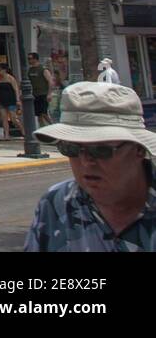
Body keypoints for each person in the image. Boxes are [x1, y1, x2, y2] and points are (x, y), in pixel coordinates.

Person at [24, 82, 156, 251]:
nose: (86, 162)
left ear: (138, 149)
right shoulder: (56, 203)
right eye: (71, 149)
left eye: (101, 150)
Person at [0, 65, 24, 141]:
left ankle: (23, 132)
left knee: (13, 118)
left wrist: (17, 100)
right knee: (4, 118)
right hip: (2, 100)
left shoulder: (10, 78)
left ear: (4, 70)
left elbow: (16, 89)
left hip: (11, 100)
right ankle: (6, 135)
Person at [26, 52, 52, 126]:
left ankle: (53, 126)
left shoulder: (43, 69)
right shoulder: (30, 70)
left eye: (30, 59)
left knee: (44, 113)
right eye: (28, 59)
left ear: (35, 59)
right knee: (39, 114)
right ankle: (42, 130)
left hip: (43, 94)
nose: (29, 60)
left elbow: (50, 81)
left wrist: (49, 94)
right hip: (35, 94)